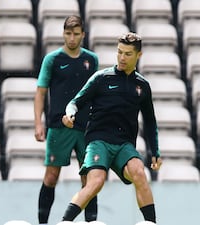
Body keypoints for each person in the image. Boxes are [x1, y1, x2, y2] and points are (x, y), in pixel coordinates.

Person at [61, 32, 163, 223]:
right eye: (119, 52)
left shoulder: (142, 86)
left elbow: (150, 121)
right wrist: (70, 114)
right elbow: (75, 102)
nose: (122, 58)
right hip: (99, 140)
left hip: (124, 144)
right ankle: (65, 221)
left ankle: (151, 223)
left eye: (127, 54)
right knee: (96, 181)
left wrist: (155, 150)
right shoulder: (101, 78)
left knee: (140, 173)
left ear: (138, 56)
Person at [34, 15, 99, 224]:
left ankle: (91, 221)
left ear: (83, 35)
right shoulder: (52, 59)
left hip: (86, 128)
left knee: (88, 179)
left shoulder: (92, 60)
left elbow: (95, 93)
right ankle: (42, 222)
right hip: (58, 126)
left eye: (76, 34)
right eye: (68, 33)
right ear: (63, 34)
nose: (72, 38)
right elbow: (41, 92)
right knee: (51, 176)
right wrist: (38, 123)